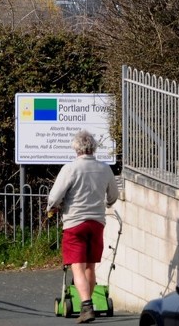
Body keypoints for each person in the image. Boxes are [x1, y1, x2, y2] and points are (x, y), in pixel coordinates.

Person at [47, 130, 119, 324]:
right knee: (90, 266)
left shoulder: (70, 169)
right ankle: (90, 303)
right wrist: (107, 203)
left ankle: (86, 306)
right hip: (96, 222)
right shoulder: (105, 169)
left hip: (75, 223)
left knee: (77, 267)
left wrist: (52, 207)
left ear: (76, 148)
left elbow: (54, 197)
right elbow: (113, 195)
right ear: (93, 147)